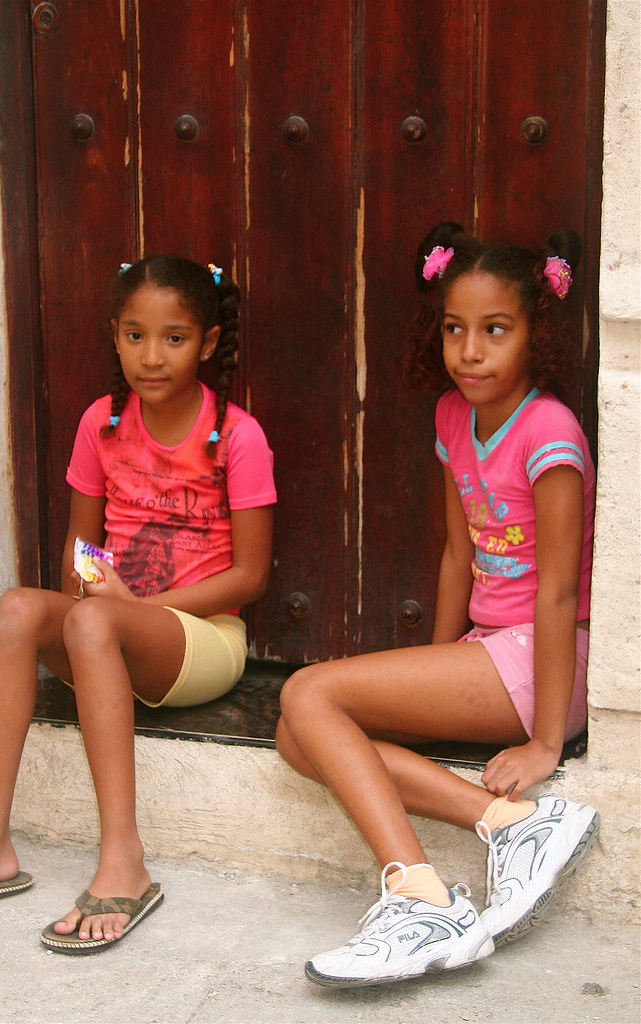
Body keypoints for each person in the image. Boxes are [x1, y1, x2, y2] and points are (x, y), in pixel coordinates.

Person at [0, 256, 277, 954]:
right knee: (15, 609)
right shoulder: (101, 423)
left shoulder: (235, 436)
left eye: (174, 338)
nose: (150, 356)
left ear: (209, 343)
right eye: (134, 336)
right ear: (114, 337)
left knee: (94, 620)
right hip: (109, 625)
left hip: (199, 642)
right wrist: (93, 591)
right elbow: (80, 549)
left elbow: (249, 576)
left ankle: (123, 858)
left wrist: (142, 608)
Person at [276, 223, 599, 988]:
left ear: (534, 333)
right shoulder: (453, 418)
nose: (469, 351)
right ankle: (508, 825)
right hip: (487, 652)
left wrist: (546, 742)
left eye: (494, 330)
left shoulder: (549, 433)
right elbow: (460, 553)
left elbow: (555, 592)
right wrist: (447, 649)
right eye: (454, 329)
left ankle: (420, 896)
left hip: (545, 663)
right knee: (300, 738)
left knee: (307, 690)